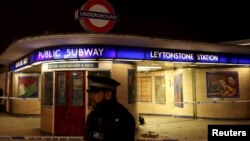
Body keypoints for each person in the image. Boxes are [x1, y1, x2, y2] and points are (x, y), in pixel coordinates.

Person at [84, 75, 136, 141]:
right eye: (90, 93)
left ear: (108, 95)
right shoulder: (93, 115)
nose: (90, 96)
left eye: (94, 93)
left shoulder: (123, 118)